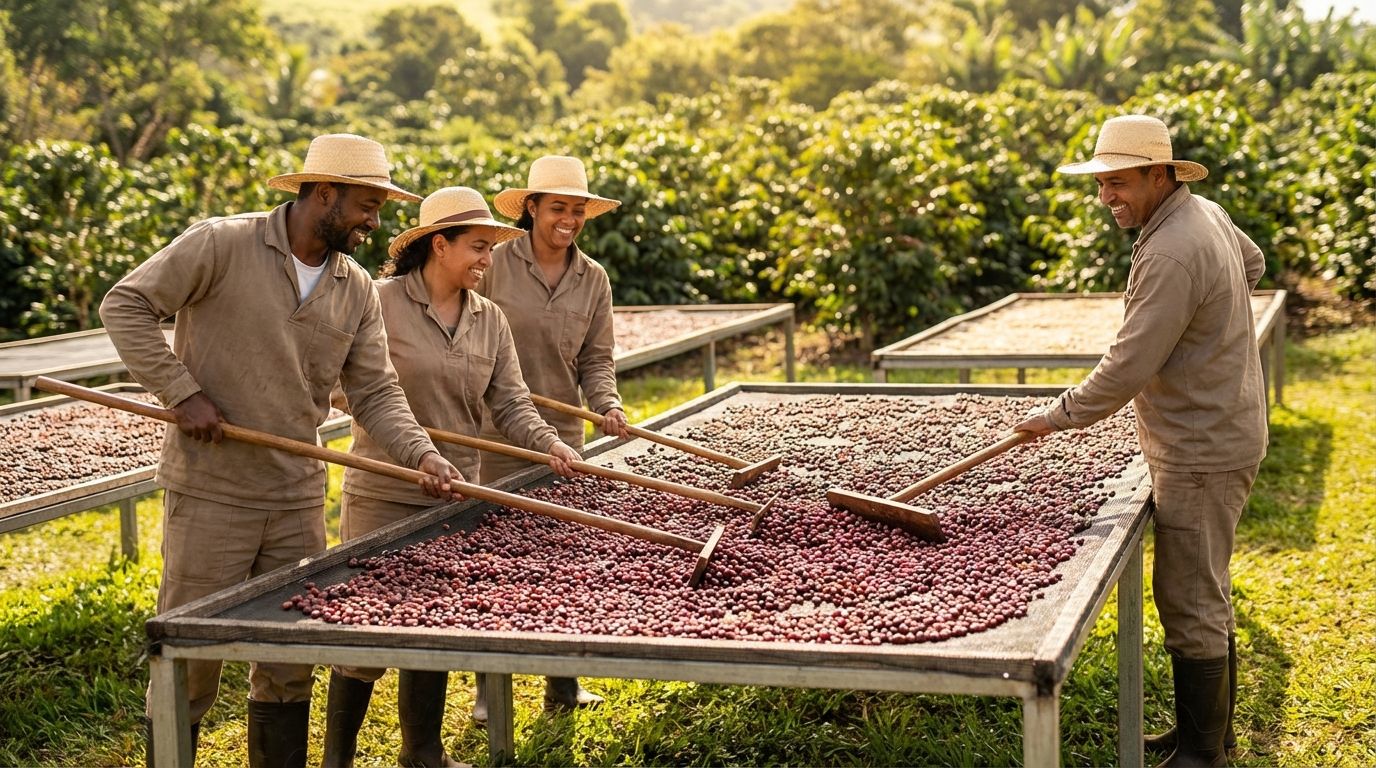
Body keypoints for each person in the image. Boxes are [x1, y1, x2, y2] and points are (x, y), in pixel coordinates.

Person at [99, 133, 464, 768]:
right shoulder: (222, 243)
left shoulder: (353, 288)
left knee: (291, 667)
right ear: (325, 193)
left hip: (295, 498)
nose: (376, 223)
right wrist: (182, 393)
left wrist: (422, 453)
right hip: (214, 489)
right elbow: (125, 304)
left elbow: (375, 389)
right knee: (190, 662)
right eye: (367, 206)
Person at [1013, 115, 1267, 768]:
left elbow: (1128, 365)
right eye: (1102, 185)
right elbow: (1253, 262)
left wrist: (1056, 415)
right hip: (1220, 422)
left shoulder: (1173, 248)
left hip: (1202, 445)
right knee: (1200, 586)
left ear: (1160, 175)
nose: (1107, 199)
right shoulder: (1201, 214)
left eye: (1120, 184)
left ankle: (1204, 755)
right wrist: (1211, 332)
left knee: (1189, 598)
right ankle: (1206, 736)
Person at [321, 186, 583, 767]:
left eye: (491, 249)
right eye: (478, 247)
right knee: (365, 633)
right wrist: (411, 445)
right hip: (385, 490)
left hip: (455, 493)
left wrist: (551, 446)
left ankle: (422, 754)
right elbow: (342, 384)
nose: (488, 261)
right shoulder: (378, 302)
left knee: (432, 622)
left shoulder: (489, 319)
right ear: (439, 245)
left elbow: (511, 402)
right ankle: (337, 760)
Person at [472, 154, 631, 718]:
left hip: (562, 432)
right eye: (557, 207)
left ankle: (561, 688)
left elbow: (597, 358)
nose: (569, 219)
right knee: (494, 559)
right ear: (532, 208)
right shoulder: (492, 264)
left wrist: (606, 404)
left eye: (578, 210)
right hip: (493, 432)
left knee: (561, 559)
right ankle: (490, 692)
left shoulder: (593, 278)